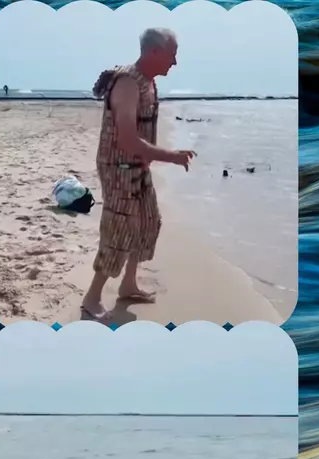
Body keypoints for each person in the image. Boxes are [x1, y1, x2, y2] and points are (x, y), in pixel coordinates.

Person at [80, 28, 196, 321]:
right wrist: (171, 156)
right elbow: (127, 141)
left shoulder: (148, 83)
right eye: (173, 55)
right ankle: (91, 298)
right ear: (154, 52)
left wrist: (150, 156)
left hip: (136, 165)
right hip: (118, 167)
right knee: (118, 230)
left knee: (147, 222)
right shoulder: (128, 84)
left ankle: (128, 285)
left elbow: (140, 136)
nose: (175, 62)